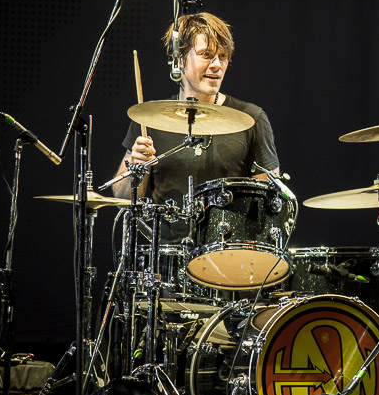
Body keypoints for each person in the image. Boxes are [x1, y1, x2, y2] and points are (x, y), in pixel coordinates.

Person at [112, 12, 280, 243]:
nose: (217, 65)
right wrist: (136, 169)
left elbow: (271, 202)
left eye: (223, 57)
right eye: (206, 55)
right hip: (169, 258)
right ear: (179, 60)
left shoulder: (252, 118)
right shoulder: (148, 119)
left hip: (230, 255)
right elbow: (122, 199)